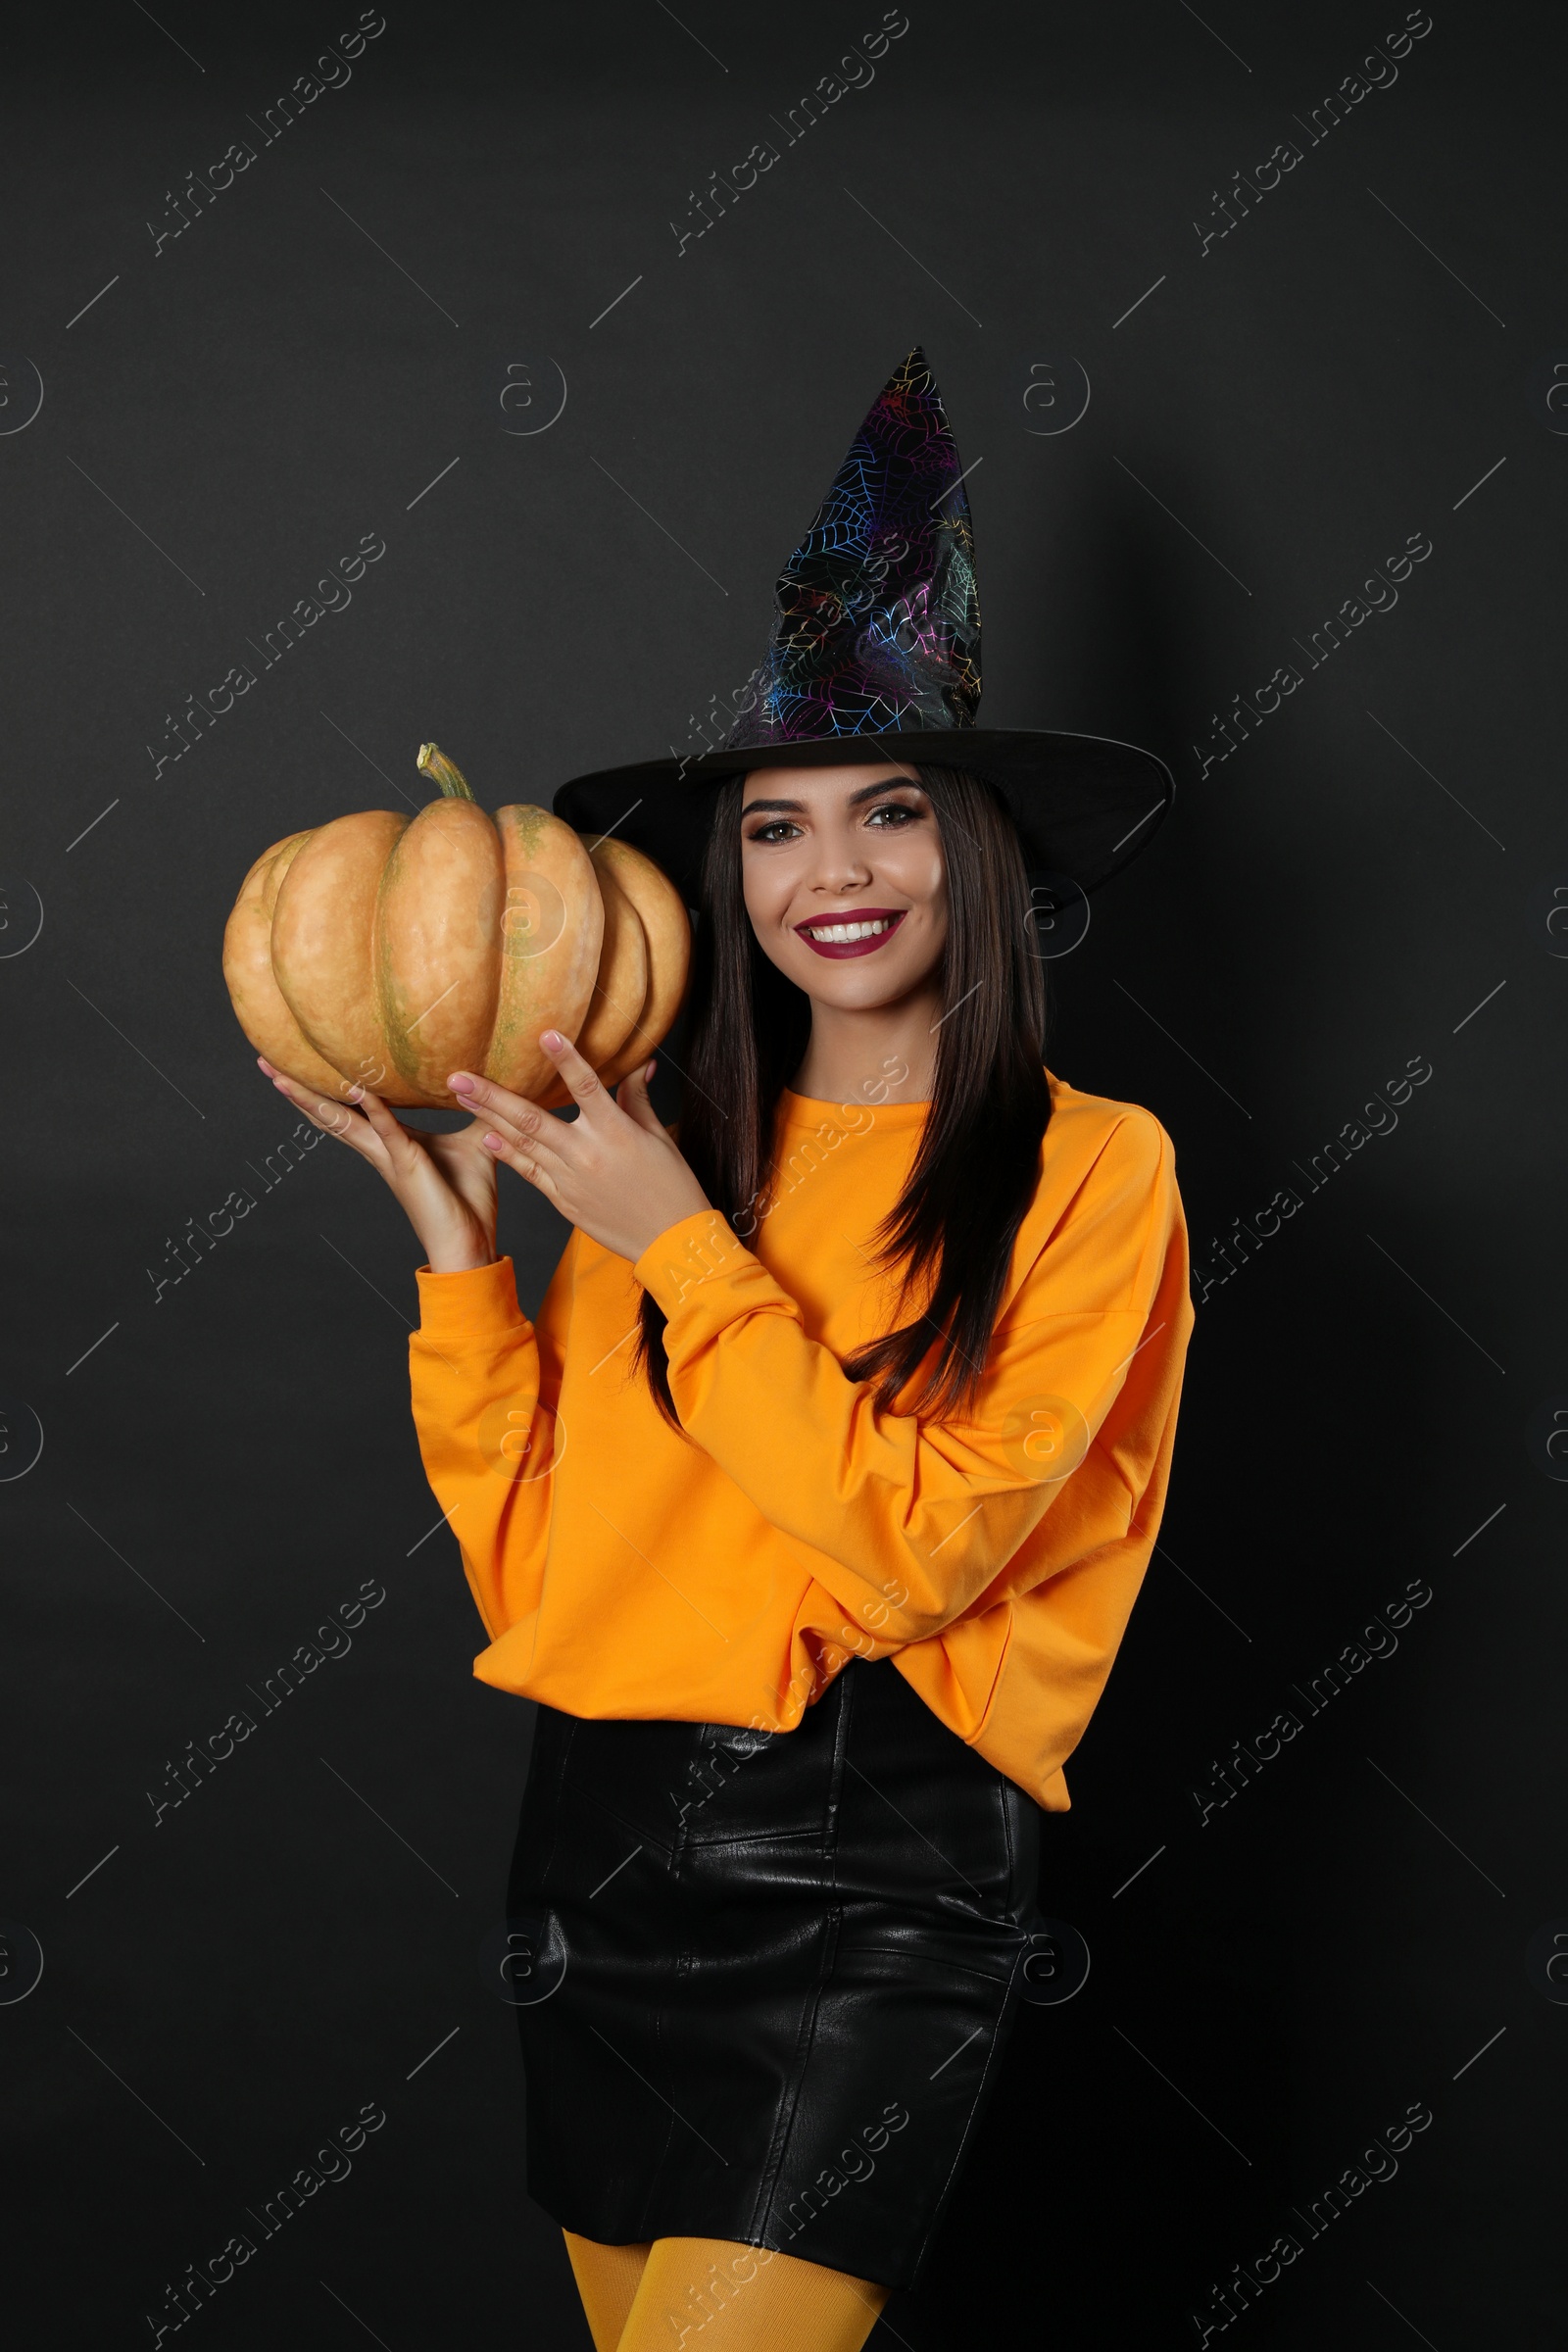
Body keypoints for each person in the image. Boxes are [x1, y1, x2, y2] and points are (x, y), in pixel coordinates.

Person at [258, 352, 1194, 2351]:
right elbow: (538, 1569)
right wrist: (461, 1271)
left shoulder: (1089, 1171)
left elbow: (919, 1556)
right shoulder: (653, 1148)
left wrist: (678, 1249)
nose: (828, 876)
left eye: (887, 815)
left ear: (985, 849)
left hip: (872, 1878)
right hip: (596, 1863)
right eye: (773, 829)